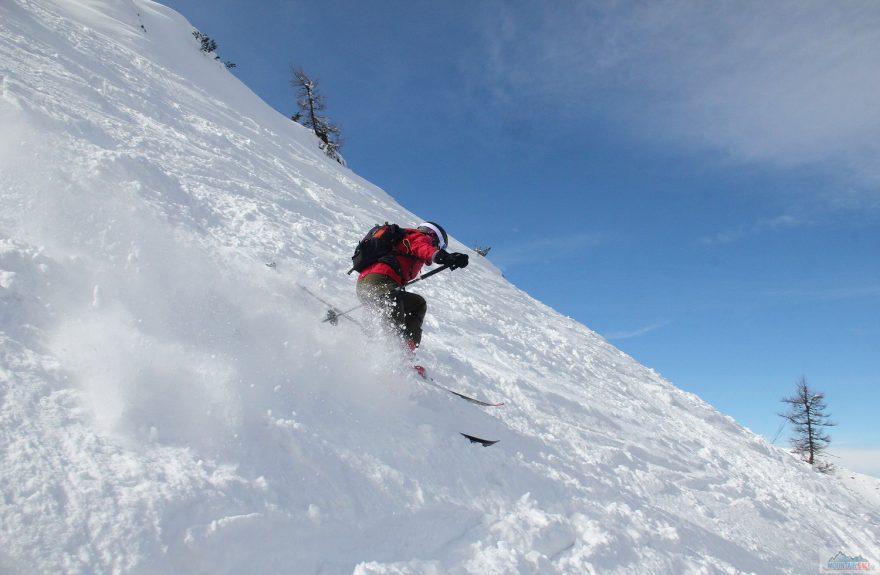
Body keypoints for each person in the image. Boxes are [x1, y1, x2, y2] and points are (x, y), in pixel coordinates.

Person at [356, 221, 468, 353]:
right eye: (441, 245)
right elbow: (423, 249)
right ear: (435, 236)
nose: (439, 247)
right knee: (394, 329)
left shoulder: (403, 241)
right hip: (381, 282)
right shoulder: (418, 236)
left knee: (417, 303)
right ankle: (397, 354)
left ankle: (402, 345)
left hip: (366, 284)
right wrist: (446, 257)